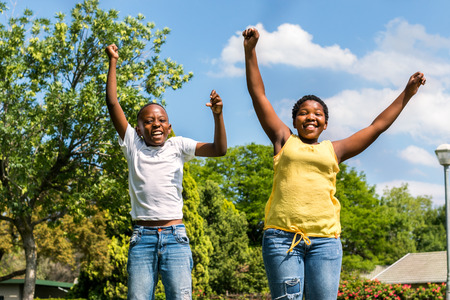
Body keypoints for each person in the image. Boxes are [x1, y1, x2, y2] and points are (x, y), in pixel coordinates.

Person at [242, 27, 426, 300]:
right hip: (282, 240)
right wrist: (250, 52)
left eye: (317, 114)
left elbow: (377, 127)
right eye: (303, 113)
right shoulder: (284, 140)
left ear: (325, 123)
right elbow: (259, 96)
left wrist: (407, 94)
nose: (310, 117)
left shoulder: (334, 150)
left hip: (325, 243)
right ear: (294, 121)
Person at [105, 44, 227, 300]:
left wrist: (218, 116)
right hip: (142, 238)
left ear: (169, 127)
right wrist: (113, 61)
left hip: (175, 237)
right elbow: (112, 102)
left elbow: (218, 149)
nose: (155, 124)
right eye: (148, 121)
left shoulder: (177, 145)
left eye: (161, 120)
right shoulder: (133, 146)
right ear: (138, 129)